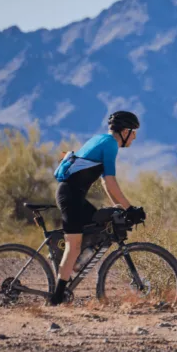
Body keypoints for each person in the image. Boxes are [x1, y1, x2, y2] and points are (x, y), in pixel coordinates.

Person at [50, 110, 146, 305]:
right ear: (125, 131)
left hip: (73, 195)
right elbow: (110, 182)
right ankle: (57, 298)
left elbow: (105, 183)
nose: (135, 137)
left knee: (103, 225)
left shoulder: (102, 140)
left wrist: (119, 207)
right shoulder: (110, 145)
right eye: (134, 132)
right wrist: (129, 209)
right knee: (73, 246)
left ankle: (75, 264)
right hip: (71, 197)